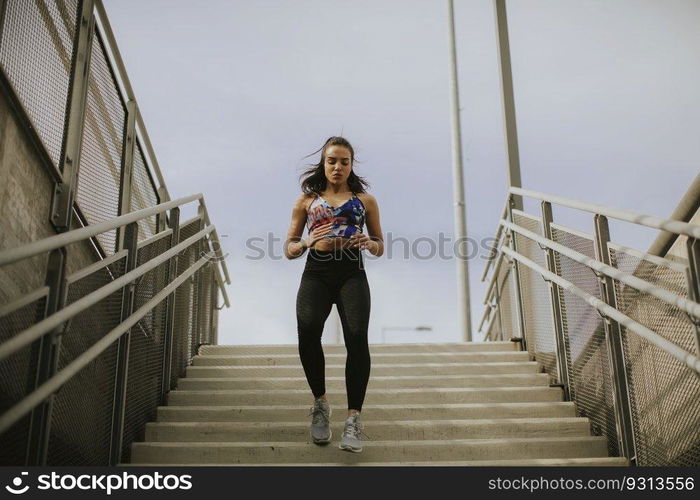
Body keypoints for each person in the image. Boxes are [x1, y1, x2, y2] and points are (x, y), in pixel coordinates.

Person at [284, 136, 384, 453]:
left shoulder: (365, 200)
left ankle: (354, 418)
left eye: (344, 161)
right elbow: (289, 248)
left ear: (351, 164)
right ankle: (321, 403)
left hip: (352, 271)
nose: (337, 166)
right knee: (308, 329)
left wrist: (371, 243)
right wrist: (306, 242)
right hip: (317, 270)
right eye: (332, 161)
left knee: (356, 336)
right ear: (323, 164)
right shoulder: (306, 201)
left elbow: (380, 245)